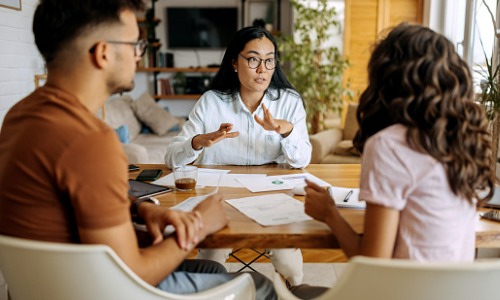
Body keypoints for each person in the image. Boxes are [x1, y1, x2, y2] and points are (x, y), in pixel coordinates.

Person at [0, 1, 276, 299]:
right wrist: (198, 224)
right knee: (258, 286)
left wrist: (140, 208)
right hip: (93, 290)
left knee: (212, 271)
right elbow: (132, 274)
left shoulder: (19, 115)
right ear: (103, 53)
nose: (138, 55)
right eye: (135, 44)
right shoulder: (89, 141)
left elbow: (72, 199)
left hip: (46, 284)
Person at [305, 23, 494, 262]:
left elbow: (373, 263)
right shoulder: (462, 139)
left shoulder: (389, 145)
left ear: (387, 79)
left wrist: (329, 214)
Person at [164, 26, 312, 286]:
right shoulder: (211, 101)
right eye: (253, 59)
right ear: (234, 62)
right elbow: (172, 159)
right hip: (220, 200)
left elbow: (301, 162)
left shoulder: (289, 101)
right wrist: (199, 141)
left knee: (289, 264)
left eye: (269, 60)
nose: (262, 68)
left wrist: (285, 130)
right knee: (211, 261)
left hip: (272, 199)